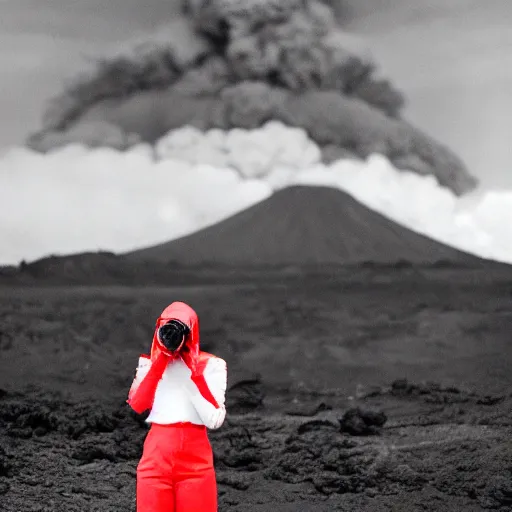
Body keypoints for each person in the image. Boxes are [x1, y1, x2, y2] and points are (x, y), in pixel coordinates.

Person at [127, 301, 227, 512]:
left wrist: (191, 375)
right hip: (155, 463)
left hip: (196, 466)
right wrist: (161, 361)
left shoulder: (212, 366)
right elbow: (138, 405)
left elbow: (214, 419)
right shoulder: (149, 365)